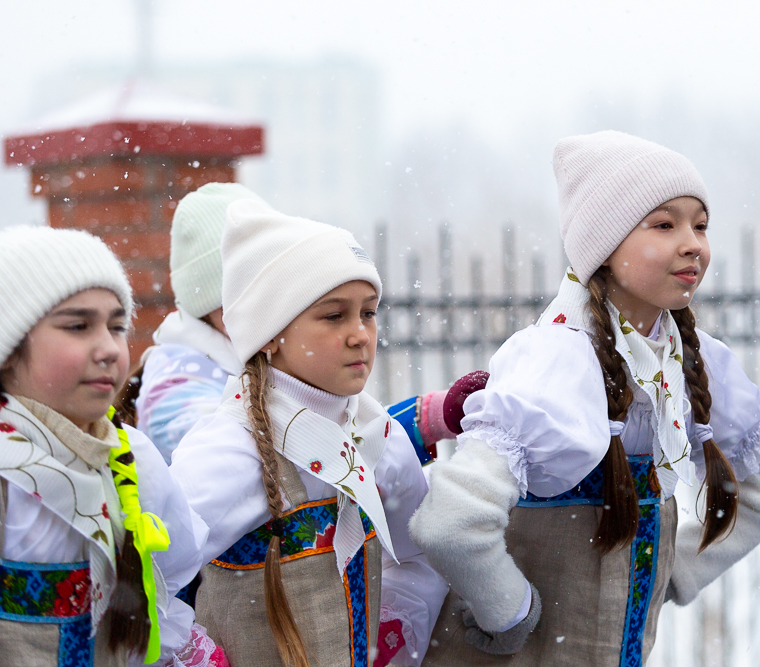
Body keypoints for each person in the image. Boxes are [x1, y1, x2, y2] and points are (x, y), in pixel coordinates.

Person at [409, 130, 760, 666]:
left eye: (701, 224)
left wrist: (674, 570)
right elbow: (450, 520)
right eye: (664, 225)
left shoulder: (689, 363)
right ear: (604, 244)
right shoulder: (558, 362)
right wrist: (509, 611)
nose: (692, 242)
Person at [169, 200, 448, 667]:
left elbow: (420, 552)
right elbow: (137, 575)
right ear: (271, 332)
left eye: (369, 312)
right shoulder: (230, 450)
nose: (361, 334)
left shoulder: (378, 438)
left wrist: (396, 628)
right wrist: (195, 655)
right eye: (334, 316)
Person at [0, 226, 223, 666]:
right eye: (78, 326)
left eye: (117, 326)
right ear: (9, 348)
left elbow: (173, 576)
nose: (108, 348)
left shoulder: (131, 458)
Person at [120, 182, 260, 463]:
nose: (272, 300)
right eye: (249, 287)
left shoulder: (259, 356)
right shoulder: (175, 384)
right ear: (211, 302)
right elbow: (223, 460)